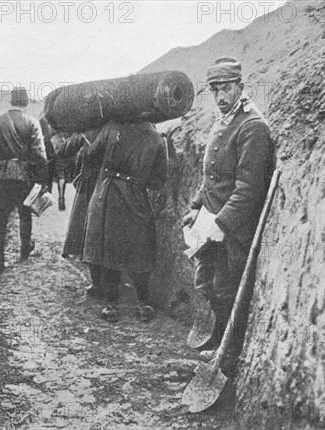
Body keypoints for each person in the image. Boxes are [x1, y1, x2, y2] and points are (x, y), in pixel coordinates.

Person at [181, 56, 275, 375]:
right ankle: (217, 338)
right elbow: (211, 177)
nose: (221, 96)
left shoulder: (252, 127)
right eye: (215, 89)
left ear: (240, 87)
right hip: (211, 221)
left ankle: (229, 354)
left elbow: (248, 188)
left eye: (226, 88)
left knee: (227, 290)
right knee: (205, 283)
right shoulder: (222, 121)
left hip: (233, 229)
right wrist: (195, 206)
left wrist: (222, 224)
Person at [83, 120, 168, 322]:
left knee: (109, 247)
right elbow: (158, 181)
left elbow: (90, 156)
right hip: (137, 197)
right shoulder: (156, 136)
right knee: (140, 248)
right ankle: (143, 305)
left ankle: (112, 305)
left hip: (109, 194)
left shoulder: (112, 126)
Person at [0, 87, 48, 273]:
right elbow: (40, 155)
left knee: (0, 216)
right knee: (24, 212)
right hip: (24, 175)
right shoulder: (32, 123)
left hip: (2, 174)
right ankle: (25, 250)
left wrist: (3, 162)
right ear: (26, 103)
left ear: (11, 101)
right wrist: (40, 176)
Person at [56, 130, 105, 299]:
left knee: (89, 232)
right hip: (110, 185)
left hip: (89, 186)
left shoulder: (87, 132)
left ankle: (98, 283)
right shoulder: (117, 127)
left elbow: (61, 150)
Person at [51, 132, 77, 211]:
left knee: (61, 177)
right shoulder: (72, 131)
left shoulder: (57, 133)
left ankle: (61, 197)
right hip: (69, 157)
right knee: (65, 177)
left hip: (60, 157)